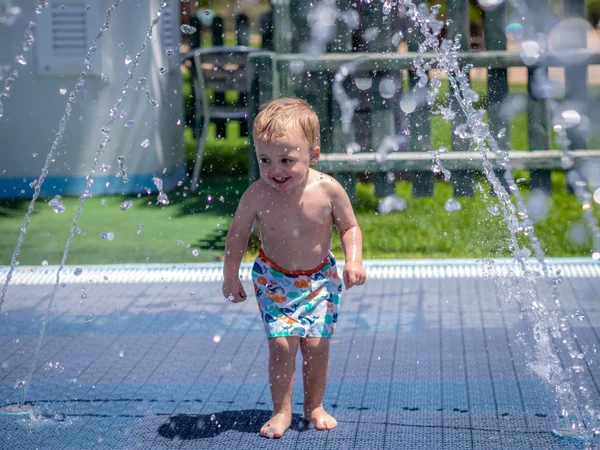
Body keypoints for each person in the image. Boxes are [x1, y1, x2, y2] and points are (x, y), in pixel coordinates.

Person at [222, 97, 367, 438]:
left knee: (316, 346)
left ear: (313, 155)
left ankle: (314, 406)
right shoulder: (257, 194)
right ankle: (282, 410)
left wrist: (354, 260)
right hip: (274, 278)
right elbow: (237, 235)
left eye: (287, 160)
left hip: (320, 280)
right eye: (265, 160)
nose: (275, 170)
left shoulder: (327, 189)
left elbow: (349, 228)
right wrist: (230, 275)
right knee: (282, 344)